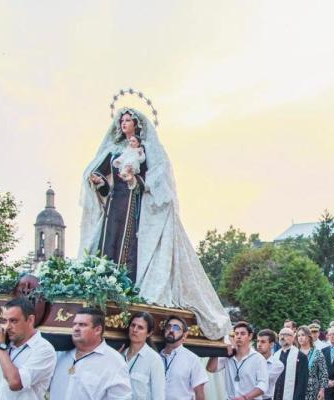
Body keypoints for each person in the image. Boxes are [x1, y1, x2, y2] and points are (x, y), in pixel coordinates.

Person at [79, 107, 229, 341]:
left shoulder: (146, 150)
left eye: (128, 120)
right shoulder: (113, 151)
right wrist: (98, 181)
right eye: (121, 121)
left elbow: (156, 182)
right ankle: (106, 284)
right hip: (115, 205)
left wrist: (134, 179)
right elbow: (104, 185)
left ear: (137, 125)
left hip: (135, 205)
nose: (123, 124)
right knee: (109, 242)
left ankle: (126, 286)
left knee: (130, 245)